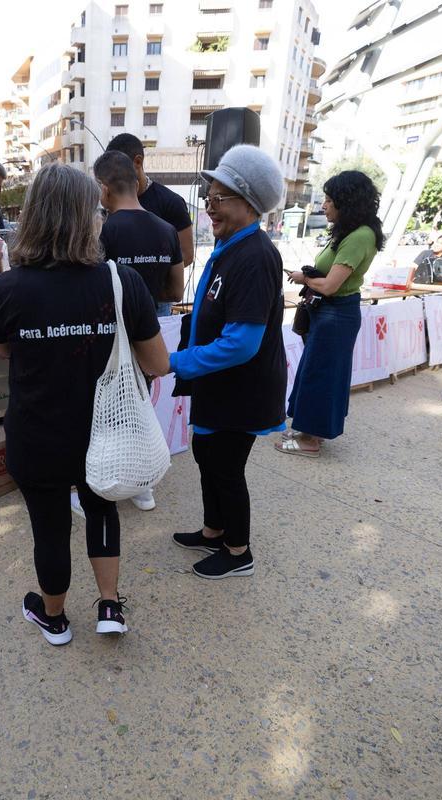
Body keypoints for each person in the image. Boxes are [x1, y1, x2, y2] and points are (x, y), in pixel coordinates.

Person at [0, 163, 170, 645]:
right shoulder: (120, 281)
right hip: (105, 429)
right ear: (89, 216)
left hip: (37, 429)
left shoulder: (8, 288)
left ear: (32, 217)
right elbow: (158, 362)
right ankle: (109, 604)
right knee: (102, 508)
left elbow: (3, 348)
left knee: (49, 525)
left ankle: (55, 618)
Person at [169, 144, 286, 580]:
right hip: (218, 384)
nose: (209, 208)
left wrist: (180, 361)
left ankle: (239, 552)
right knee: (206, 453)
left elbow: (241, 343)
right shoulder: (230, 247)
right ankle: (213, 529)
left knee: (225, 467)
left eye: (218, 199)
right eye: (209, 198)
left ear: (247, 202)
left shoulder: (254, 256)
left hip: (242, 388)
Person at [94, 149, 183, 513]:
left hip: (107, 337)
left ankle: (106, 480)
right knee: (139, 404)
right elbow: (176, 291)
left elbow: (93, 286)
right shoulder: (166, 230)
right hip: (149, 336)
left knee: (106, 412)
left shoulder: (106, 231)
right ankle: (142, 485)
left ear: (104, 188)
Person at [281, 170, 383, 457]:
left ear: (346, 201)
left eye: (329, 200)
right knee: (314, 372)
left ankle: (310, 440)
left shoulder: (360, 236)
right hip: (329, 314)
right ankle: (307, 429)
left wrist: (304, 279)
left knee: (321, 376)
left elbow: (329, 285)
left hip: (336, 314)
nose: (323, 206)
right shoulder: (349, 232)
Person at [106, 132, 195, 303]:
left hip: (158, 301)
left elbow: (187, 254)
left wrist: (150, 279)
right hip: (118, 298)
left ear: (138, 162)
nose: (114, 176)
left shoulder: (171, 202)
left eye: (118, 168)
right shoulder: (110, 202)